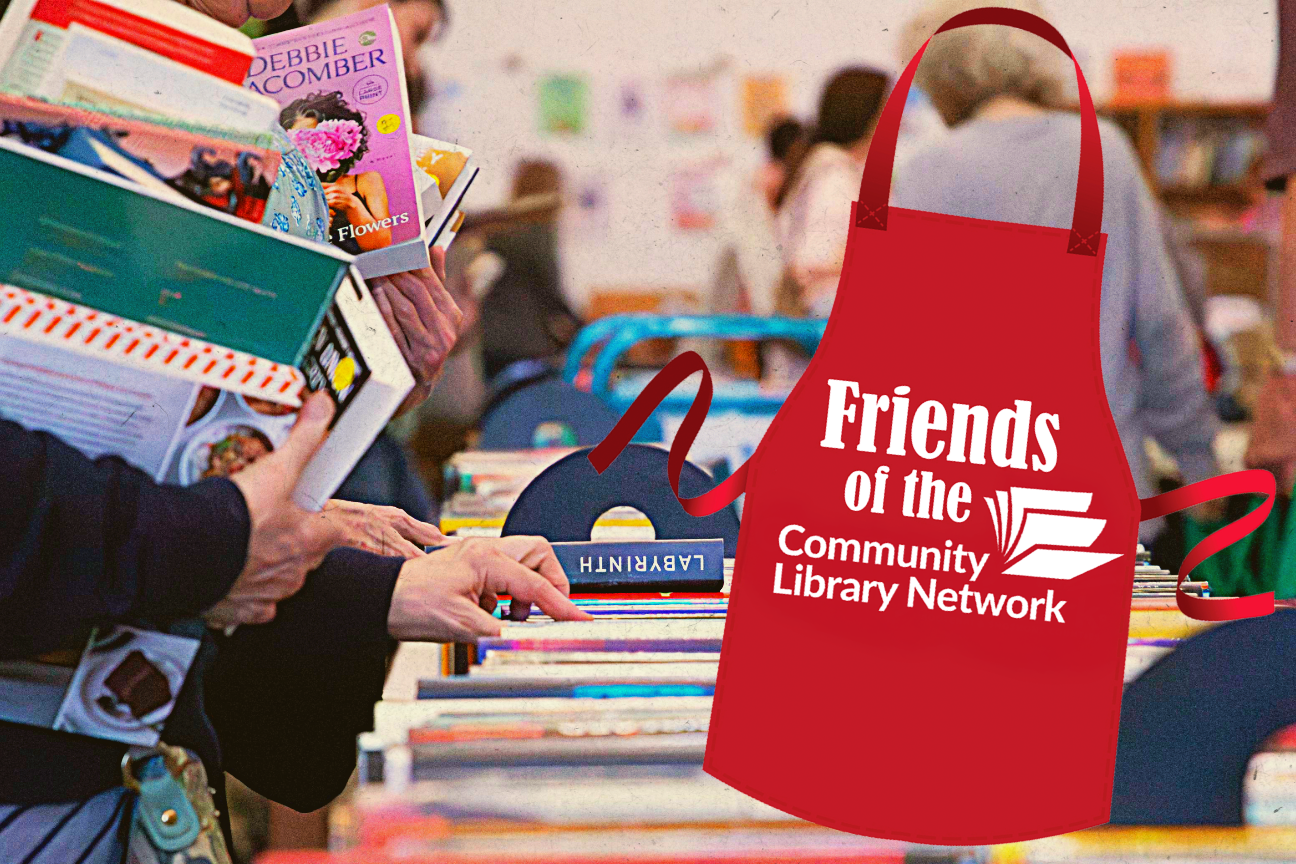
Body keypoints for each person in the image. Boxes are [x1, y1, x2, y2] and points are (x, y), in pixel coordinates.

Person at [893, 0, 1221, 546]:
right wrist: (1198, 460)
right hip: (1099, 490)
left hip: (970, 498)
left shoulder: (926, 172)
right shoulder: (1103, 151)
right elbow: (1162, 324)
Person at [774, 68, 889, 321]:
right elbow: (812, 258)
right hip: (827, 315)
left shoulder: (827, 166)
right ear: (866, 117)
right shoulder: (833, 174)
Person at [479, 160, 582, 382]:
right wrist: (583, 325)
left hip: (490, 340)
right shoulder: (539, 230)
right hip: (527, 343)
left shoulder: (496, 227)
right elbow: (551, 292)